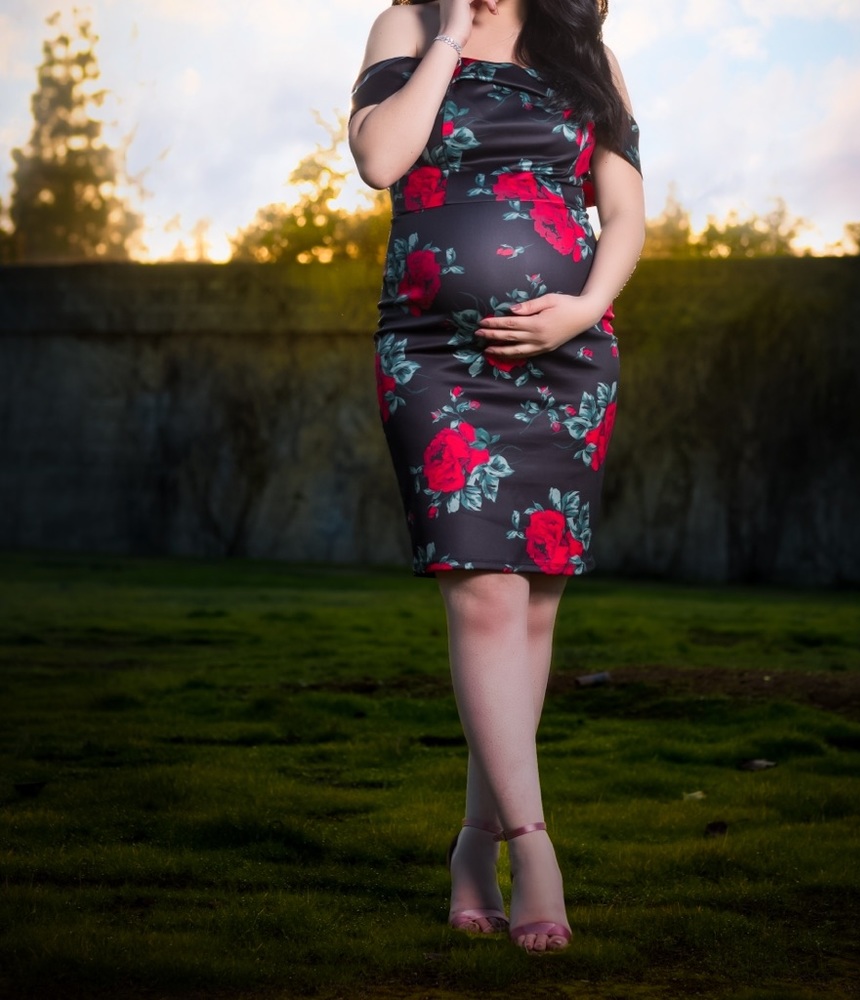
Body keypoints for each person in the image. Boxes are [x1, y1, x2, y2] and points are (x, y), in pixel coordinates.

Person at [349, 0, 644, 952]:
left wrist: (583, 308)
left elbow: (627, 211)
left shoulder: (584, 48)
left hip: (567, 359)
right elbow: (381, 159)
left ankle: (474, 847)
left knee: (536, 612)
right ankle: (535, 846)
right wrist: (444, 39)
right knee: (483, 598)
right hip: (435, 351)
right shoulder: (403, 26)